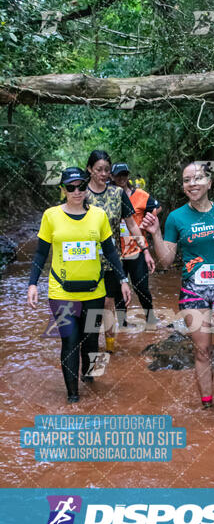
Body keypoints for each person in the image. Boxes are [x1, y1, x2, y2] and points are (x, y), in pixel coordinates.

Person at [142, 161, 214, 409]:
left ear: (209, 182)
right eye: (187, 180)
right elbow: (166, 261)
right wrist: (156, 234)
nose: (192, 184)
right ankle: (207, 406)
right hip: (193, 291)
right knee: (202, 351)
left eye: (197, 178)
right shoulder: (176, 218)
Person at [27, 167, 131, 403]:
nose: (77, 191)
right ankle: (73, 397)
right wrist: (32, 284)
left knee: (92, 340)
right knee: (70, 340)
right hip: (61, 291)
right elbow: (41, 254)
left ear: (86, 187)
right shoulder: (50, 216)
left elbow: (111, 252)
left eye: (81, 186)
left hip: (95, 290)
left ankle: (91, 381)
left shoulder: (99, 216)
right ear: (63, 189)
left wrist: (123, 280)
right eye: (71, 187)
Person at [85, 150, 150, 352]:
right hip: (85, 260)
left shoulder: (117, 194)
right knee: (89, 306)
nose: (103, 174)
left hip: (111, 258)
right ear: (89, 169)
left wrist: (145, 250)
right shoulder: (80, 193)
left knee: (108, 303)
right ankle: (88, 346)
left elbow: (132, 225)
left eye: (106, 170)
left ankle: (110, 347)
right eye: (99, 170)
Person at [111, 162, 160, 327]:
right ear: (112, 177)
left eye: (124, 174)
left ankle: (150, 320)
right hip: (116, 252)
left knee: (142, 287)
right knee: (118, 290)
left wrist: (148, 220)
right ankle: (122, 324)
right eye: (118, 175)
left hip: (136, 249)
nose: (122, 178)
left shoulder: (140, 195)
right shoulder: (109, 197)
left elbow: (157, 207)